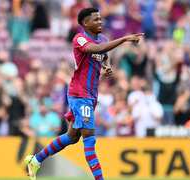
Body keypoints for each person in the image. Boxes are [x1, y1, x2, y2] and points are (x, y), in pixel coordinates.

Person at [24, 7, 143, 180]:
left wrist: (106, 66)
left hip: (91, 95)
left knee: (72, 137)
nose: (100, 21)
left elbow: (103, 53)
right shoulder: (79, 39)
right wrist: (124, 39)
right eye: (96, 19)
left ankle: (36, 160)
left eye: (100, 19)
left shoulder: (102, 38)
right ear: (85, 23)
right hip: (79, 94)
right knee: (89, 137)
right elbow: (96, 49)